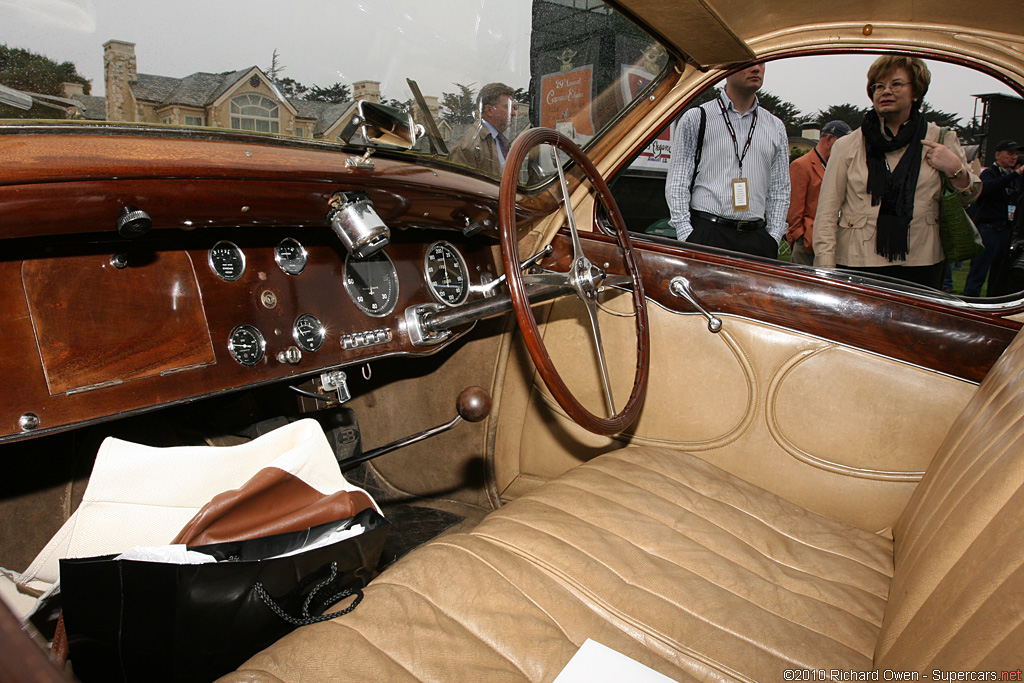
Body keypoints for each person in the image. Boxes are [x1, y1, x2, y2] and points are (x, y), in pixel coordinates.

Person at [813, 56, 981, 290]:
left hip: (922, 263)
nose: (886, 91)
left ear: (916, 92)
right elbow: (827, 213)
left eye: (896, 84)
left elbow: (969, 196)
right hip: (858, 261)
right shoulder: (847, 146)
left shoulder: (940, 139)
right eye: (878, 86)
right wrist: (825, 269)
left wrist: (955, 168)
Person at [665, 63, 791, 259]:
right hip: (707, 233)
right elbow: (678, 180)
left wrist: (773, 238)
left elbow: (780, 188)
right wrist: (686, 234)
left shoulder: (775, 126)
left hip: (756, 240)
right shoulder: (697, 118)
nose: (756, 68)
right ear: (727, 69)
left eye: (761, 62)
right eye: (748, 63)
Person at [786, 120, 852, 265]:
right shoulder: (801, 165)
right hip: (807, 245)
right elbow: (794, 210)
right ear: (829, 139)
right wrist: (800, 238)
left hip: (831, 243)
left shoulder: (836, 166)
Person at [962, 139, 1023, 296]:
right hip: (989, 229)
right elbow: (987, 189)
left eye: (1016, 154)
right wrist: (1015, 174)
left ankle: (992, 302)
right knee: (979, 271)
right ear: (998, 155)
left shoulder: (1014, 178)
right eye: (1010, 153)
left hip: (1006, 230)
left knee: (998, 275)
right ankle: (971, 303)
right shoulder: (990, 173)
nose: (1014, 157)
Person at [448, 82, 516, 177]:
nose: (513, 113)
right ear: (489, 110)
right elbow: (460, 185)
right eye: (507, 107)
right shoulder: (467, 145)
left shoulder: (501, 141)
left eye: (514, 108)